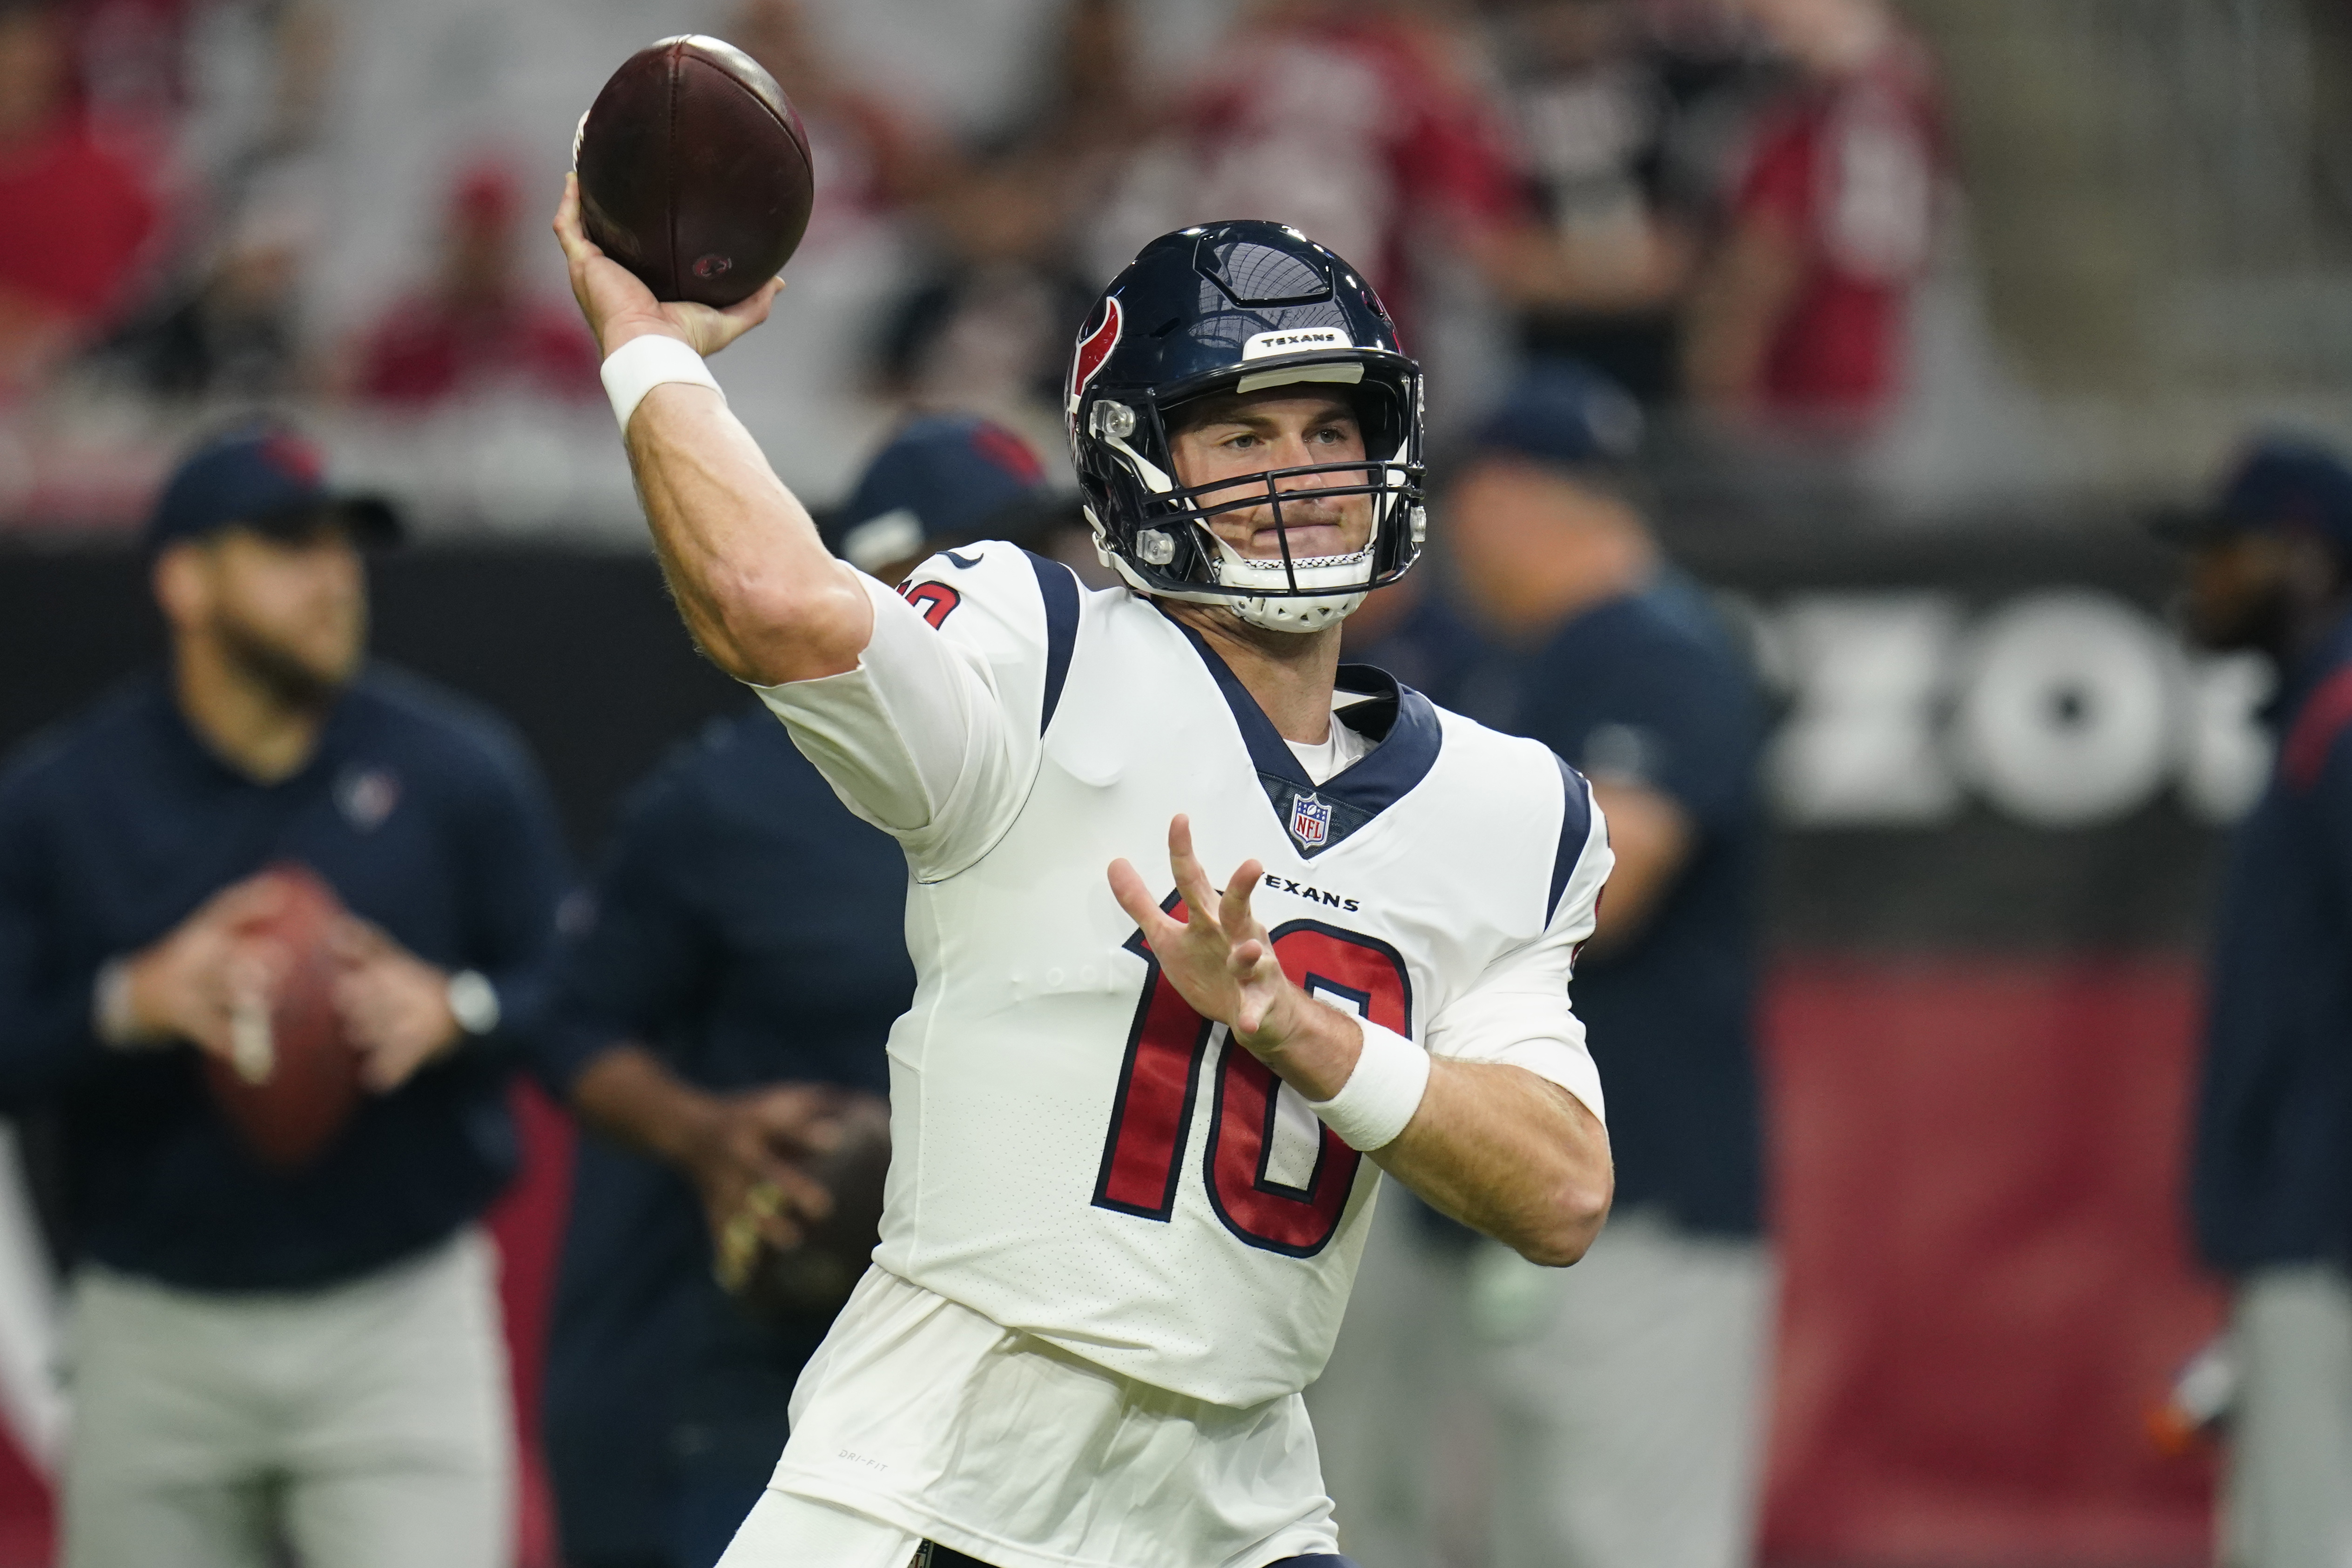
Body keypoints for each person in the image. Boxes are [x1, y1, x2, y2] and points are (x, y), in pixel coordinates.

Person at [557, 182, 1616, 1568]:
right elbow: (768, 603)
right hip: (939, 1467)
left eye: (1329, 428)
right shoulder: (1036, 647)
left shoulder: (1512, 804)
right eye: (1242, 432)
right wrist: (652, 352)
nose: (1298, 470)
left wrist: (1308, 1033)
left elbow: (1560, 1192)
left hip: (1233, 1495)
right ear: (1137, 464)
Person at [0, 422, 571, 1567]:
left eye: (343, 549)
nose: (330, 581)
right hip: (156, 1326)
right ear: (185, 579)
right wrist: (130, 1001)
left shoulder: (457, 771)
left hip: (395, 1319)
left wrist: (452, 1010)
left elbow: (578, 996)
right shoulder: (65, 800)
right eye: (285, 547)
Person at [540, 416, 1068, 1568]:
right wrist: (705, 1132)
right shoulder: (732, 801)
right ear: (875, 582)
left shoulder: (1092, 784)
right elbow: (569, 1020)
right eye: (981, 559)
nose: (1031, 592)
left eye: (1048, 553)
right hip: (761, 1364)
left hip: (1010, 1371)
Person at [1443, 364, 1771, 1568]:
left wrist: (1389, 916)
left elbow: (1611, 880)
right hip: (1524, 1185)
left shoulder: (1653, 647)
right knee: (1530, 1534)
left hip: (1645, 1191)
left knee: (1634, 1540)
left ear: (1507, 498)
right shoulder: (1521, 655)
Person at [2164, 439, 2352, 1568]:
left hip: (2328, 1228)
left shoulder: (2338, 718)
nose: (2201, 579)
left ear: (2301, 557)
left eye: (2223, 552)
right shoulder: (2309, 715)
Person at [1681, 0, 1945, 430]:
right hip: (1876, 379)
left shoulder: (1810, 126)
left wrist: (1714, 385)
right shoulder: (1903, 103)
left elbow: (1765, 255)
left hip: (1791, 393)